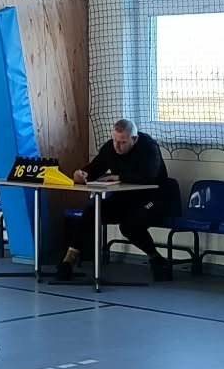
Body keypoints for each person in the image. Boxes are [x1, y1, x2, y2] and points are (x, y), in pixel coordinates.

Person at [58, 119, 177, 282]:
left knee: (129, 226)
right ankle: (68, 261)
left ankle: (156, 259)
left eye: (122, 142)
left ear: (134, 139)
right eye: (115, 140)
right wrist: (82, 174)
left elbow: (149, 175)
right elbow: (95, 168)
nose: (117, 146)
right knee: (92, 211)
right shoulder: (110, 147)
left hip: (154, 198)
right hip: (126, 198)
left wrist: (120, 176)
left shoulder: (149, 146)